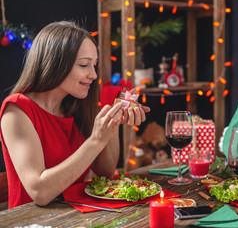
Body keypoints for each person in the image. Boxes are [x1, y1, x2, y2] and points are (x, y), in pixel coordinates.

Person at [0, 21, 150, 209]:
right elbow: (39, 192)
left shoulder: (75, 107)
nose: (93, 75)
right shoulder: (17, 110)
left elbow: (105, 171)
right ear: (56, 62)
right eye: (84, 65)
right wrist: (95, 140)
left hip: (76, 217)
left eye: (94, 65)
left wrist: (113, 120)